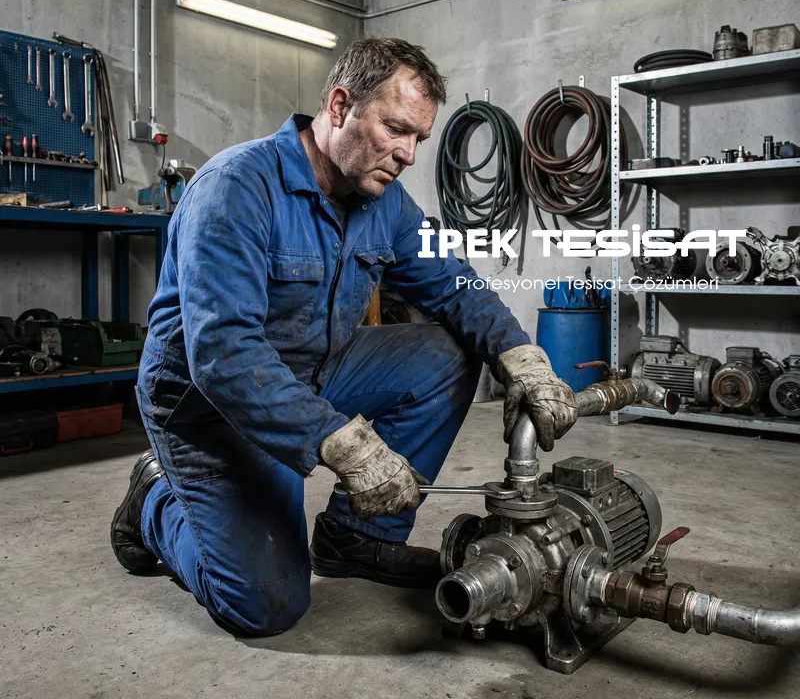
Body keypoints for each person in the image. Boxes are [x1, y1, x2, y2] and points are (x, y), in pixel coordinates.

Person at [111, 37, 578, 637]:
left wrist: (522, 356)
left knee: (448, 352)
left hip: (313, 372)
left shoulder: (383, 202)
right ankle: (153, 501)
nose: (408, 154)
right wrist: (344, 444)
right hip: (209, 406)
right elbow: (223, 353)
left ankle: (357, 538)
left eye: (418, 139)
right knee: (266, 606)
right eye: (396, 129)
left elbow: (454, 284)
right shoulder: (236, 189)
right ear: (338, 107)